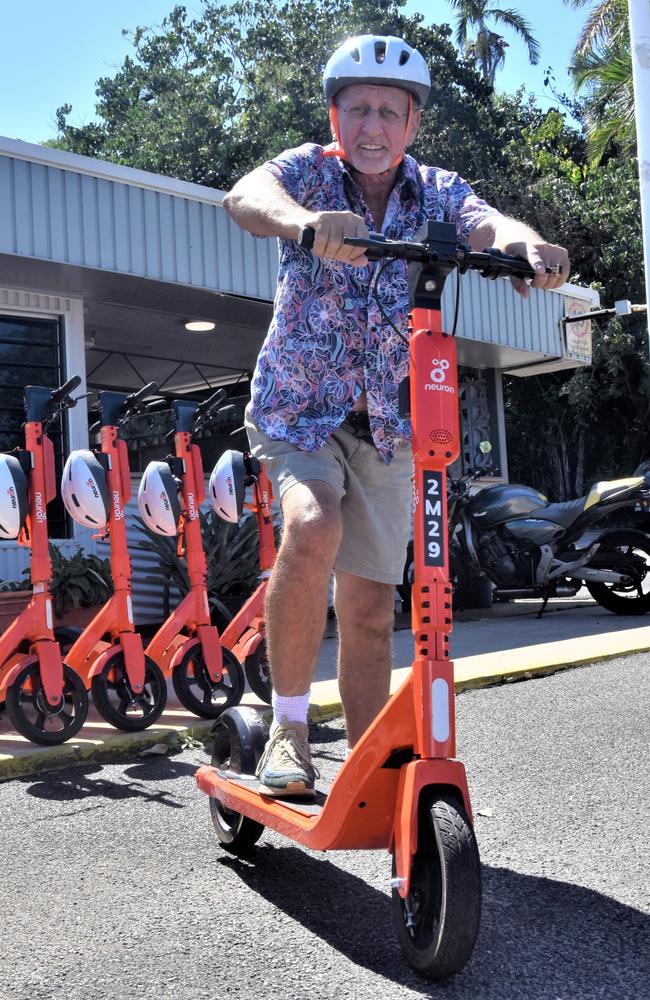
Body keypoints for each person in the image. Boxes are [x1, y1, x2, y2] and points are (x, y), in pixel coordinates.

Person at [223, 33, 570, 798]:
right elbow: (245, 197)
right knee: (314, 527)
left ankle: (371, 765)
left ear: (412, 125)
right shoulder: (307, 172)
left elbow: (485, 223)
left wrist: (527, 247)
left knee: (375, 604)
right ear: (334, 114)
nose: (373, 126)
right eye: (358, 109)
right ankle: (287, 730)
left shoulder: (435, 188)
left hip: (387, 423)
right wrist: (303, 224)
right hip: (299, 410)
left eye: (390, 111)